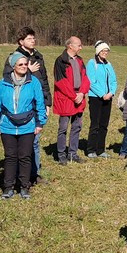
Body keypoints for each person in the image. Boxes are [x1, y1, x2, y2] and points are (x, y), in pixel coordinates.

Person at [0, 52, 46, 198]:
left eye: (25, 64)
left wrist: (40, 122)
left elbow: (40, 104)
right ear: (13, 66)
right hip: (7, 126)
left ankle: (24, 187)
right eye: (20, 64)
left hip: (28, 125)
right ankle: (8, 187)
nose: (23, 67)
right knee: (10, 157)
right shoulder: (3, 84)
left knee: (25, 157)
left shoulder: (33, 82)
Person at [4, 27, 49, 183]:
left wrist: (47, 101)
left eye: (33, 38)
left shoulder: (38, 56)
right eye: (29, 38)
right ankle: (18, 175)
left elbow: (44, 80)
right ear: (21, 41)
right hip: (21, 107)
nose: (33, 40)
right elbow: (7, 79)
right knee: (22, 143)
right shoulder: (14, 58)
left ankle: (33, 174)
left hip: (38, 103)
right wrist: (27, 70)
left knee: (35, 141)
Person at [53, 36, 90, 164]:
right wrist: (74, 96)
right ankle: (61, 154)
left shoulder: (80, 60)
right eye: (79, 45)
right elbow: (60, 82)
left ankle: (72, 153)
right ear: (70, 46)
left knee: (77, 126)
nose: (81, 47)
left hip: (79, 98)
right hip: (66, 99)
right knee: (63, 127)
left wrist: (82, 93)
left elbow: (85, 78)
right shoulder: (60, 61)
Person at [85, 41, 117, 158]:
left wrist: (111, 92)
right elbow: (91, 82)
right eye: (103, 50)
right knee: (95, 124)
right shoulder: (92, 63)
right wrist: (102, 94)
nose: (105, 53)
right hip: (96, 98)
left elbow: (114, 80)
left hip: (108, 98)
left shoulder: (108, 64)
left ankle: (100, 149)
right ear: (98, 51)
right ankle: (91, 149)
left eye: (106, 51)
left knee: (104, 124)